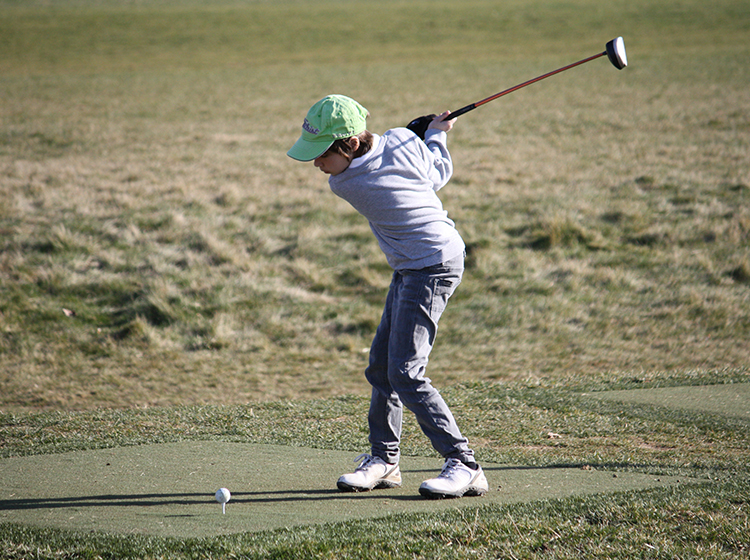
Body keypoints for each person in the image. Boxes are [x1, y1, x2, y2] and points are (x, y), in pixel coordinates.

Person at [287, 94, 487, 499]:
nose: (317, 165)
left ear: (350, 145)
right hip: (415, 263)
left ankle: (464, 464)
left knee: (406, 372)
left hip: (431, 264)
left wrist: (417, 134)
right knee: (381, 367)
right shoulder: (397, 142)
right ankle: (384, 459)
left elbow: (387, 165)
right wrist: (432, 136)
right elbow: (436, 172)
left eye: (322, 153)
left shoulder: (348, 183)